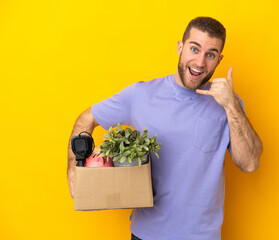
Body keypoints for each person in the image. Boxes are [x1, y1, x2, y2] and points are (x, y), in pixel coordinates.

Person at [67, 16, 263, 240]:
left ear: (219, 60)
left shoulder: (228, 104)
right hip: (146, 235)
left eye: (210, 54)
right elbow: (87, 118)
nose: (200, 62)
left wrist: (231, 104)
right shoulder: (141, 95)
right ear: (180, 48)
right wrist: (74, 167)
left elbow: (249, 163)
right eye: (194, 49)